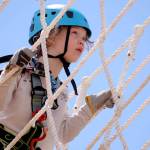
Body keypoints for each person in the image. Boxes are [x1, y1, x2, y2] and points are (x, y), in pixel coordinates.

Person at [0, 4, 114, 150]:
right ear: (50, 35)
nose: (82, 41)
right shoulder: (22, 71)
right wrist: (12, 70)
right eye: (74, 33)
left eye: (85, 38)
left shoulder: (60, 91)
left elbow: (63, 133)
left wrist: (91, 107)